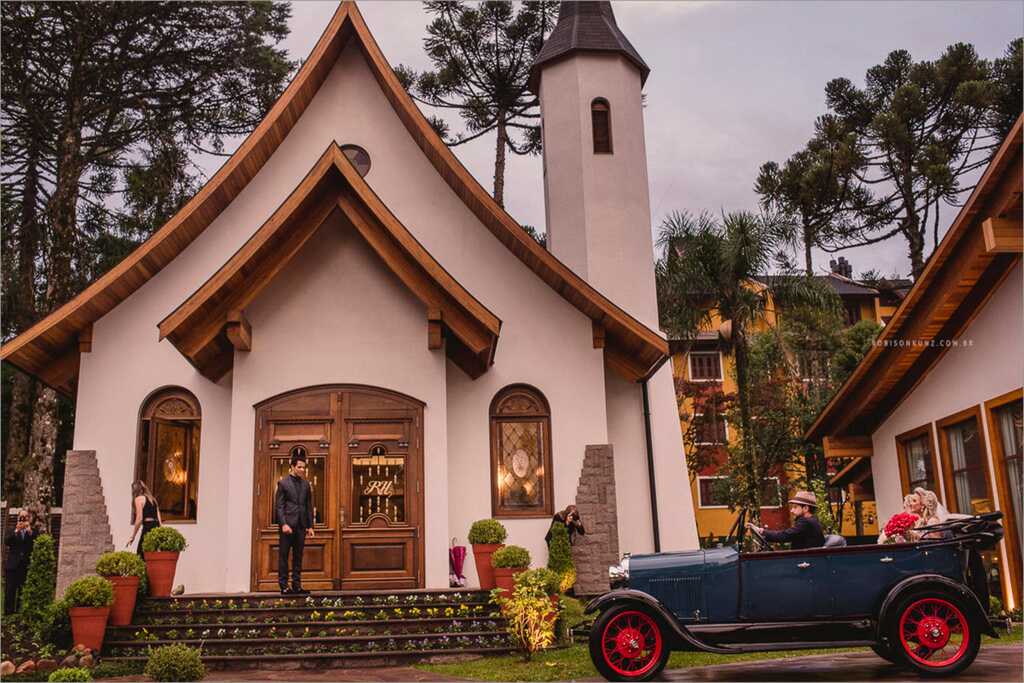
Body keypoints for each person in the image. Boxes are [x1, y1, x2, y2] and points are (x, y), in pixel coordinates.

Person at [275, 451, 315, 595]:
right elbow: (279, 506)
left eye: (304, 467)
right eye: (299, 467)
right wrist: (283, 524)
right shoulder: (283, 483)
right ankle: (284, 586)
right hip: (287, 526)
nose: (302, 470)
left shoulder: (306, 484)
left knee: (298, 556)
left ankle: (297, 585)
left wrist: (310, 526)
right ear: (292, 466)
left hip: (301, 526)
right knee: (284, 557)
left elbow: (308, 506)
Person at [747, 490, 824, 550]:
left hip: (805, 562)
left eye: (795, 507)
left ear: (806, 508)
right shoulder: (812, 520)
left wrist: (762, 531)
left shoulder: (806, 522)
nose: (792, 510)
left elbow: (785, 536)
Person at [4, 510, 37, 614]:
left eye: (25, 517)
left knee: (22, 589)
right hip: (12, 565)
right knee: (10, 589)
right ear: (18, 517)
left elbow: (35, 543)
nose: (23, 519)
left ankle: (20, 612)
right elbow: (7, 542)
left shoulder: (32, 531)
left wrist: (30, 532)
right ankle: (8, 613)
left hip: (24, 565)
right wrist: (16, 531)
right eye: (21, 517)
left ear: (28, 518)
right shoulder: (12, 529)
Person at [126, 481, 162, 557]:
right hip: (156, 527)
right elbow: (158, 516)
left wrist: (133, 536)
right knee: (153, 555)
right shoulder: (152, 498)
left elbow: (139, 518)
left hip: (148, 527)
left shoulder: (138, 499)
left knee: (141, 554)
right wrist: (160, 530)